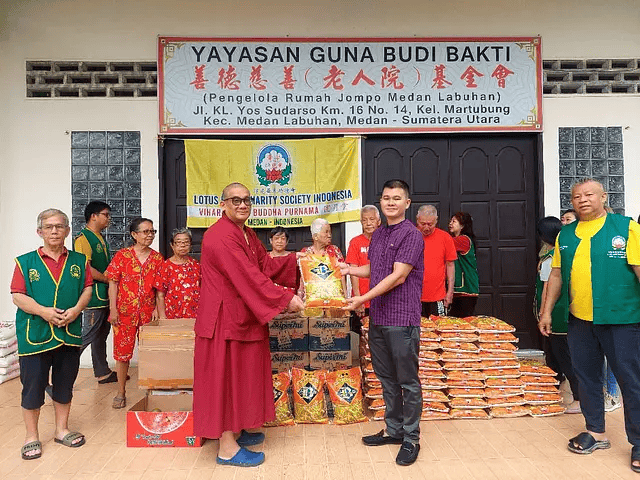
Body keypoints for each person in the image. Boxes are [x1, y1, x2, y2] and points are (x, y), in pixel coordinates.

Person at [193, 183, 304, 468]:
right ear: (223, 204)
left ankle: (238, 430)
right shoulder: (220, 236)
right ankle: (226, 448)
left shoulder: (246, 232)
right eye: (235, 200)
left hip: (241, 315)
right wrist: (285, 298)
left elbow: (264, 265)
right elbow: (248, 276)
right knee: (225, 380)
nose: (242, 205)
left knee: (241, 377)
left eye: (247, 200)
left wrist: (298, 260)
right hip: (223, 320)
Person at [540, 178, 640, 473]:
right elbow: (556, 275)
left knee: (631, 381)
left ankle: (639, 441)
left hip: (622, 318)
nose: (582, 200)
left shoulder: (626, 228)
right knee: (586, 378)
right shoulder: (566, 235)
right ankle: (596, 432)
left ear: (603, 197)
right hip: (580, 320)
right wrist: (546, 312)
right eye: (576, 196)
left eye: (588, 194)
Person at [341, 179, 424, 466]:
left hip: (402, 319)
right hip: (379, 317)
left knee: (407, 381)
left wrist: (362, 298)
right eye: (386, 198)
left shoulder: (411, 235)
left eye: (396, 198)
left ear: (406, 203)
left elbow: (398, 275)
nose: (390, 202)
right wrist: (347, 269)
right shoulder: (378, 234)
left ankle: (411, 438)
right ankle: (394, 430)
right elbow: (375, 269)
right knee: (386, 378)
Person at [11, 209, 93, 460]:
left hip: (68, 332)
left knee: (65, 383)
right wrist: (43, 311)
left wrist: (76, 310)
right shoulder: (25, 262)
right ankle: (31, 436)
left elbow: (87, 289)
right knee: (32, 386)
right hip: (35, 334)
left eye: (59, 226)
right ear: (40, 232)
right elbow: (17, 295)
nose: (54, 231)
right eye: (49, 227)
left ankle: (61, 430)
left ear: (67, 230)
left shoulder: (80, 261)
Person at [105, 217, 163, 409]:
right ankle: (121, 392)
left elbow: (159, 289)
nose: (150, 235)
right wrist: (113, 309)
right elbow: (113, 283)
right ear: (134, 234)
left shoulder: (157, 258)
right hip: (123, 313)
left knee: (150, 353)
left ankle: (151, 391)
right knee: (122, 355)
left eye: (152, 231)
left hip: (147, 314)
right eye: (146, 231)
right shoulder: (122, 256)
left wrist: (157, 309)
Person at [535, 216, 580, 414]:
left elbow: (547, 287)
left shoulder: (552, 257)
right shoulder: (554, 254)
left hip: (557, 314)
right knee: (554, 357)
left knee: (565, 358)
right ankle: (554, 392)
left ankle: (579, 398)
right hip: (555, 314)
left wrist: (544, 312)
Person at [73, 201, 117, 384]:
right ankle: (59, 375)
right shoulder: (83, 239)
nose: (108, 218)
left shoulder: (99, 237)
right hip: (93, 297)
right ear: (93, 216)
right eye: (105, 215)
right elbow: (87, 269)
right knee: (87, 335)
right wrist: (108, 280)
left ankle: (102, 372)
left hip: (104, 296)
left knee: (100, 335)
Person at [416, 205, 457, 317]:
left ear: (436, 221)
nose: (426, 228)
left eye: (430, 224)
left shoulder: (445, 237)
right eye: (423, 224)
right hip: (414, 297)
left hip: (438, 297)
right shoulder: (411, 237)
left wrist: (450, 292)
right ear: (417, 220)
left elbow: (450, 265)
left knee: (439, 326)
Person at [156, 228, 201, 319]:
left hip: (194, 315)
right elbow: (160, 295)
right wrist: (162, 317)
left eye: (186, 242)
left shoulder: (196, 265)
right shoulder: (165, 266)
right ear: (172, 245)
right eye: (179, 242)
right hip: (172, 316)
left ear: (190, 245)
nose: (183, 245)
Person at [346, 205, 381, 321]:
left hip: (381, 299)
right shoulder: (355, 242)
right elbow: (353, 271)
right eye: (365, 220)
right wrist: (358, 297)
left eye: (372, 219)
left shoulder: (385, 241)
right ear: (361, 222)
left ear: (379, 221)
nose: (368, 223)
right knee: (361, 330)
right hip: (361, 298)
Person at [301, 218, 347, 296]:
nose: (329, 235)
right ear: (315, 236)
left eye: (330, 232)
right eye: (326, 232)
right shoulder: (305, 253)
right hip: (313, 297)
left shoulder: (334, 250)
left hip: (333, 296)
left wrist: (345, 296)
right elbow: (302, 277)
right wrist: (300, 294)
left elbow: (342, 274)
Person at [447, 211, 479, 317]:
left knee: (463, 322)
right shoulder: (459, 240)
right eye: (450, 221)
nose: (450, 223)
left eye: (454, 221)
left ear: (462, 226)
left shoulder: (463, 240)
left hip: (466, 290)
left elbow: (444, 243)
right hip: (459, 291)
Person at [266, 226, 300, 294]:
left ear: (287, 241)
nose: (279, 241)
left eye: (283, 239)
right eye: (276, 238)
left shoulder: (294, 257)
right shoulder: (265, 258)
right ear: (271, 241)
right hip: (269, 293)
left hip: (289, 294)